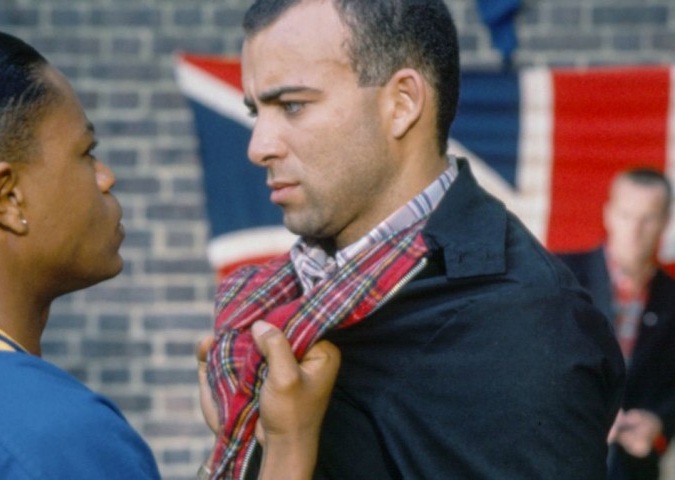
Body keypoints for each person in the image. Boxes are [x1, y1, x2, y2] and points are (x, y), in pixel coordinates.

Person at [0, 26, 340, 479]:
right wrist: (287, 447)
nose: (105, 177)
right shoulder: (48, 432)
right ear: (8, 197)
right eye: (86, 152)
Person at [198, 1, 626, 478]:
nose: (258, 146)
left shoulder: (530, 324)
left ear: (402, 104)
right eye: (256, 111)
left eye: (292, 105)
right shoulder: (278, 300)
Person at [560, 168, 675, 480]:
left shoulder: (671, 298)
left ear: (665, 222)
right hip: (559, 460)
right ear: (609, 214)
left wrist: (658, 422)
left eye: (648, 218)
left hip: (633, 469)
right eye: (626, 215)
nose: (634, 230)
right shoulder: (558, 278)